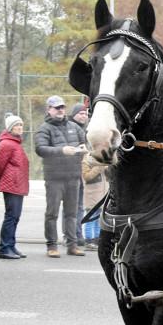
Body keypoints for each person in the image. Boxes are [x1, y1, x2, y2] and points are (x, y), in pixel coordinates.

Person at [35, 95, 86, 257]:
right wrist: (61, 150)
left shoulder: (73, 126)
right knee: (52, 213)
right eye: (57, 108)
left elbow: (87, 141)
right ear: (49, 109)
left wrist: (85, 146)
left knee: (72, 213)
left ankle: (72, 245)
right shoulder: (44, 128)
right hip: (54, 178)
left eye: (62, 107)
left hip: (73, 176)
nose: (60, 110)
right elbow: (40, 149)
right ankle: (51, 246)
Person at [0, 114, 30, 260]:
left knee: (15, 217)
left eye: (20, 125)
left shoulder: (15, 142)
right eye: (16, 125)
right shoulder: (6, 144)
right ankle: (5, 248)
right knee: (11, 217)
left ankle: (11, 246)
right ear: (10, 128)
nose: (20, 128)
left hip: (17, 184)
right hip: (11, 185)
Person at [69, 103, 90, 248]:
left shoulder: (89, 129)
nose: (83, 116)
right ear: (74, 114)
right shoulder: (69, 127)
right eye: (81, 113)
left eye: (85, 113)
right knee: (71, 207)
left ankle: (78, 234)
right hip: (72, 172)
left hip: (85, 174)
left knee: (81, 206)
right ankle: (71, 235)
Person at [81, 151, 108, 251]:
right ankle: (88, 240)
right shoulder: (87, 157)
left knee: (99, 218)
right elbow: (87, 176)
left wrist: (107, 168)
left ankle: (97, 238)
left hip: (102, 193)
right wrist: (99, 166)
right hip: (92, 194)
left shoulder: (104, 156)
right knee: (90, 217)